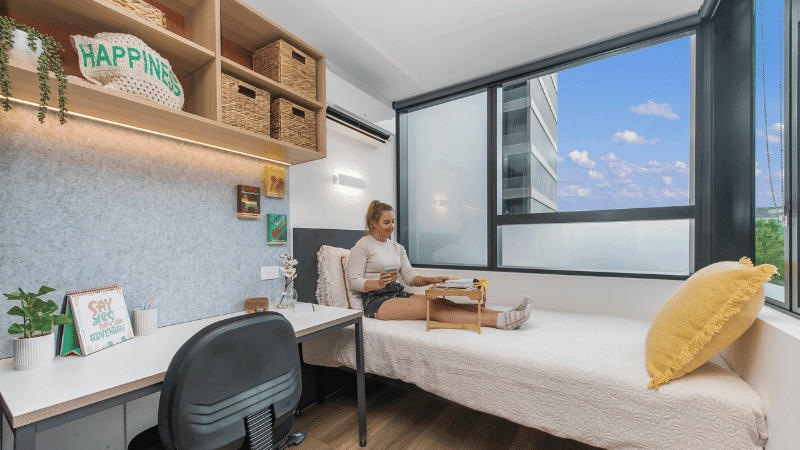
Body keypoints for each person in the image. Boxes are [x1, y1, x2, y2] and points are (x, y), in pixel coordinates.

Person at [347, 200, 531, 330]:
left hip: (397, 293)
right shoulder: (363, 245)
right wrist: (377, 284)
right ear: (373, 223)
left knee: (442, 301)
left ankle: (507, 313)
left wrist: (430, 279)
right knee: (432, 309)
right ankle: (499, 321)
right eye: (386, 222)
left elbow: (410, 277)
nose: (392, 226)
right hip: (377, 301)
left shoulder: (397, 247)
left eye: (393, 222)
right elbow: (354, 281)